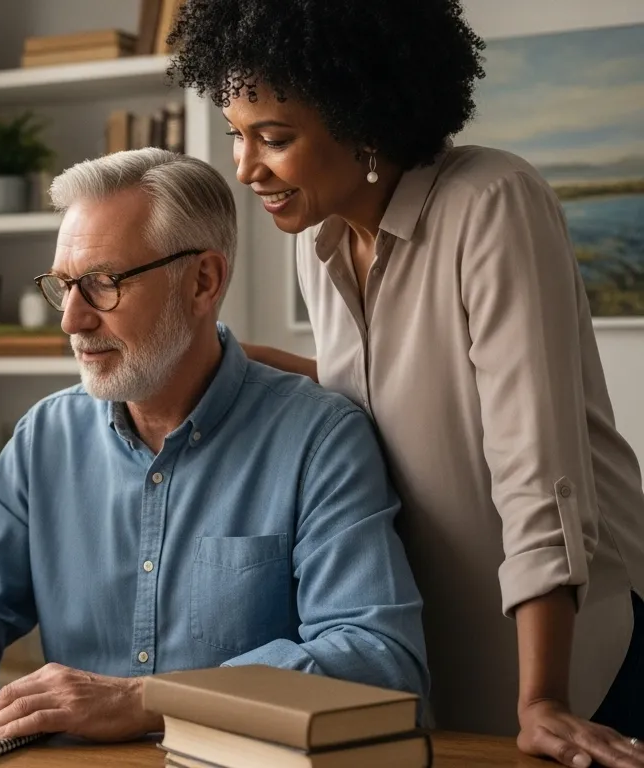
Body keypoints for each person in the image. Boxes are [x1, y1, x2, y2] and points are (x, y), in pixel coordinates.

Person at [169, 1, 644, 764]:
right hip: (448, 636)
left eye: (274, 138)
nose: (245, 167)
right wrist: (222, 354)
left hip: (573, 654)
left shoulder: (490, 202)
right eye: (236, 135)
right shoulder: (320, 240)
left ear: (364, 120)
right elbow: (384, 391)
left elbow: (537, 467)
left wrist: (543, 698)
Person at [0, 149, 429, 742]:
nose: (72, 321)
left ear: (203, 281)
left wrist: (150, 701)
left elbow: (379, 659)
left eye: (104, 283)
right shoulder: (43, 440)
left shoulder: (319, 439)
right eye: (63, 286)